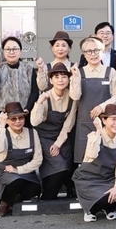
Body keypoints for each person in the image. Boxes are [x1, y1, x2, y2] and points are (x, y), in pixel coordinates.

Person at [0, 36, 39, 172]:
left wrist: (27, 109)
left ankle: (23, 171)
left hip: (23, 114)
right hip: (2, 115)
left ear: (20, 51)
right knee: (1, 145)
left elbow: (35, 91)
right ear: (3, 52)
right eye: (8, 49)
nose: (11, 52)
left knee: (22, 144)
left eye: (15, 49)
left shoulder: (28, 68)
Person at [73, 104, 116, 222]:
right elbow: (91, 155)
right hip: (89, 179)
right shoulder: (93, 136)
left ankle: (109, 208)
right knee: (102, 198)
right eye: (113, 119)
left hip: (108, 178)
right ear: (104, 120)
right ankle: (90, 210)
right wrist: (98, 131)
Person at [30, 62, 79, 200]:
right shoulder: (45, 97)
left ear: (68, 79)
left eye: (64, 76)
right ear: (51, 80)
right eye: (56, 77)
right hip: (44, 137)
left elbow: (69, 123)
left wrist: (58, 143)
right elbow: (34, 122)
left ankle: (61, 193)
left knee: (67, 163)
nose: (60, 80)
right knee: (59, 165)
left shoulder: (72, 97)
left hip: (61, 137)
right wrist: (39, 103)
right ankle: (47, 197)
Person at [71, 36, 116, 164]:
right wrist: (75, 78)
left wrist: (102, 107)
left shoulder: (110, 72)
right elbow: (75, 96)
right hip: (85, 122)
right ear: (84, 54)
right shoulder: (79, 73)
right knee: (87, 160)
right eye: (89, 51)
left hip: (107, 122)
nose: (93, 54)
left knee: (107, 159)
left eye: (96, 50)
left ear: (102, 51)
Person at [0, 102, 42, 217]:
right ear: (7, 120)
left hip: (25, 172)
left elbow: (38, 159)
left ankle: (14, 197)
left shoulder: (32, 133)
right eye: (13, 119)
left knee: (36, 188)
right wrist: (1, 125)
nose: (18, 121)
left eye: (21, 118)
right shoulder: (2, 133)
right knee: (16, 181)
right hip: (4, 172)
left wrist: (18, 170)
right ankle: (4, 203)